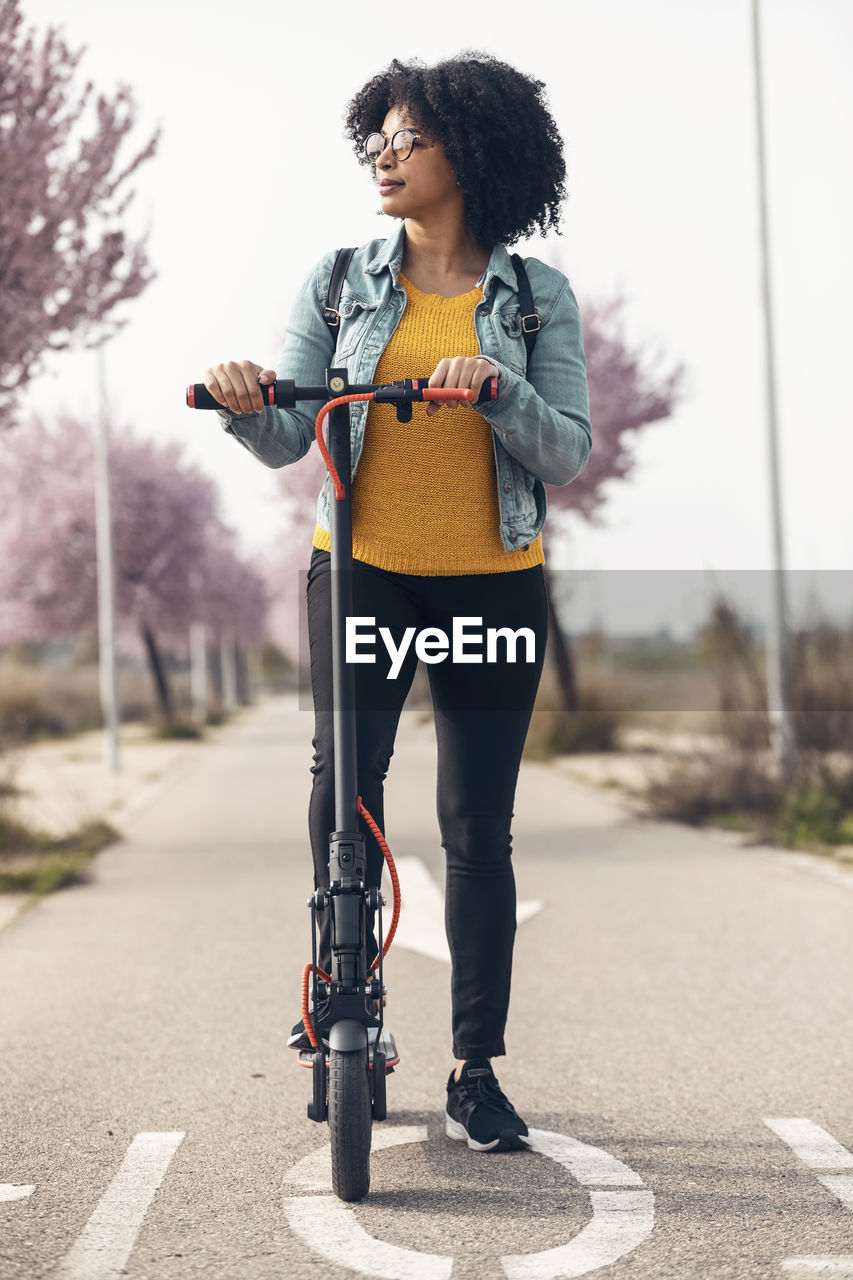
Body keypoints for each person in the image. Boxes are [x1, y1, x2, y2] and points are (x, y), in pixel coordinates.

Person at [203, 52, 591, 1153]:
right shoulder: (336, 282)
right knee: (346, 792)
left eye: (407, 136)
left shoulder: (534, 299)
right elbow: (293, 429)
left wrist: (497, 383)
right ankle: (338, 989)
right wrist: (243, 404)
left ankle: (476, 1067)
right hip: (363, 565)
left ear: (468, 153)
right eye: (377, 134)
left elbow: (564, 453)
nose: (384, 151)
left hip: (494, 581)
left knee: (477, 826)